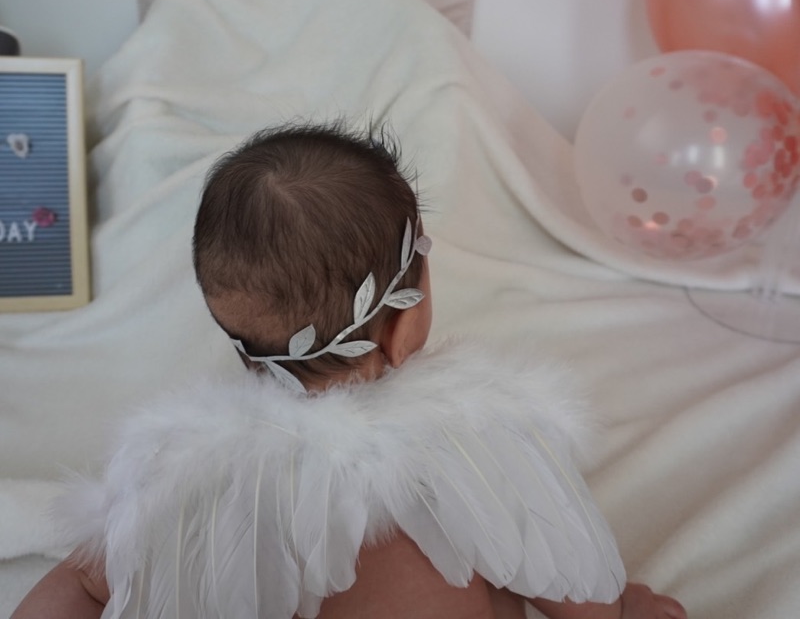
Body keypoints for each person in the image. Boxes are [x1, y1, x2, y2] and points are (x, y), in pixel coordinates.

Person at [12, 121, 687, 619]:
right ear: (402, 327)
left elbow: (89, 582)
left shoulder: (184, 470)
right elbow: (572, 583)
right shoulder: (474, 433)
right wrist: (622, 606)